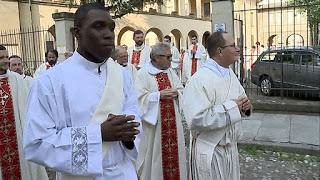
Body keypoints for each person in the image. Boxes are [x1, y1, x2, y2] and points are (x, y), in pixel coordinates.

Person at [23, 3, 141, 180]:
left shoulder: (123, 75)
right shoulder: (50, 82)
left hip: (123, 173)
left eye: (111, 28)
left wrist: (127, 135)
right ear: (77, 33)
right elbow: (36, 143)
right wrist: (98, 134)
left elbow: (134, 115)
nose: (109, 34)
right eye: (98, 26)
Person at [182, 32, 252, 180]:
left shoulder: (230, 74)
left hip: (231, 150)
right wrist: (234, 107)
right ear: (220, 51)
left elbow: (241, 100)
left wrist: (246, 107)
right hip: (211, 150)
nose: (238, 49)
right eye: (233, 46)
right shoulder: (199, 80)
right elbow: (196, 119)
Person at [135, 42, 188, 180]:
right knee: (156, 156)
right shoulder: (143, 74)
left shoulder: (170, 72)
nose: (171, 60)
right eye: (168, 57)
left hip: (173, 125)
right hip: (154, 126)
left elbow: (181, 89)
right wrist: (159, 95)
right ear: (157, 57)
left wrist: (177, 92)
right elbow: (138, 98)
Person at [0, 45, 49, 180]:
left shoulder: (17, 80)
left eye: (6, 57)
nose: (5, 61)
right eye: (1, 58)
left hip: (18, 137)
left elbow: (31, 109)